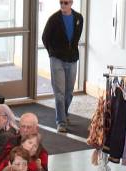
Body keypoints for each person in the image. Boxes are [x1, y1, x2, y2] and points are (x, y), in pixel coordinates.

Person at [41, 0, 84, 133]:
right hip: (57, 59)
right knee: (59, 92)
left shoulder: (78, 18)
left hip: (72, 58)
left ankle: (63, 114)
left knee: (69, 92)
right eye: (61, 3)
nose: (63, 6)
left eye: (65, 3)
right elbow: (45, 37)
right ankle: (61, 122)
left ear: (71, 3)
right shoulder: (54, 19)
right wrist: (52, 53)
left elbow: (76, 37)